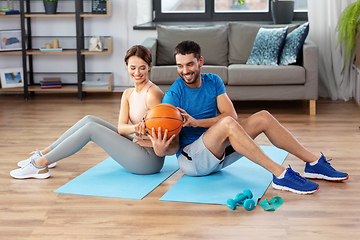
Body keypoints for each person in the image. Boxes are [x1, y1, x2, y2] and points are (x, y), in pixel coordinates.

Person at [149, 40, 349, 195]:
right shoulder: (173, 95)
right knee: (226, 123)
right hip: (192, 161)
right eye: (180, 66)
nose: (185, 71)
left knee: (263, 117)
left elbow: (232, 116)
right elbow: (172, 143)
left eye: (190, 64)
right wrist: (160, 149)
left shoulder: (214, 81)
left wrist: (196, 122)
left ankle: (314, 163)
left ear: (200, 61)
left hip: (219, 155)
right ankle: (280, 174)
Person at [10, 45, 166, 179]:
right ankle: (44, 155)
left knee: (92, 129)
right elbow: (121, 128)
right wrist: (136, 127)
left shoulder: (152, 94)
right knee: (89, 119)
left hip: (149, 159)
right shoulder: (128, 93)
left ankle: (39, 165)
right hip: (136, 143)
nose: (137, 73)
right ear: (126, 66)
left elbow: (166, 131)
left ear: (149, 66)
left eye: (142, 68)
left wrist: (142, 130)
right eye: (132, 68)